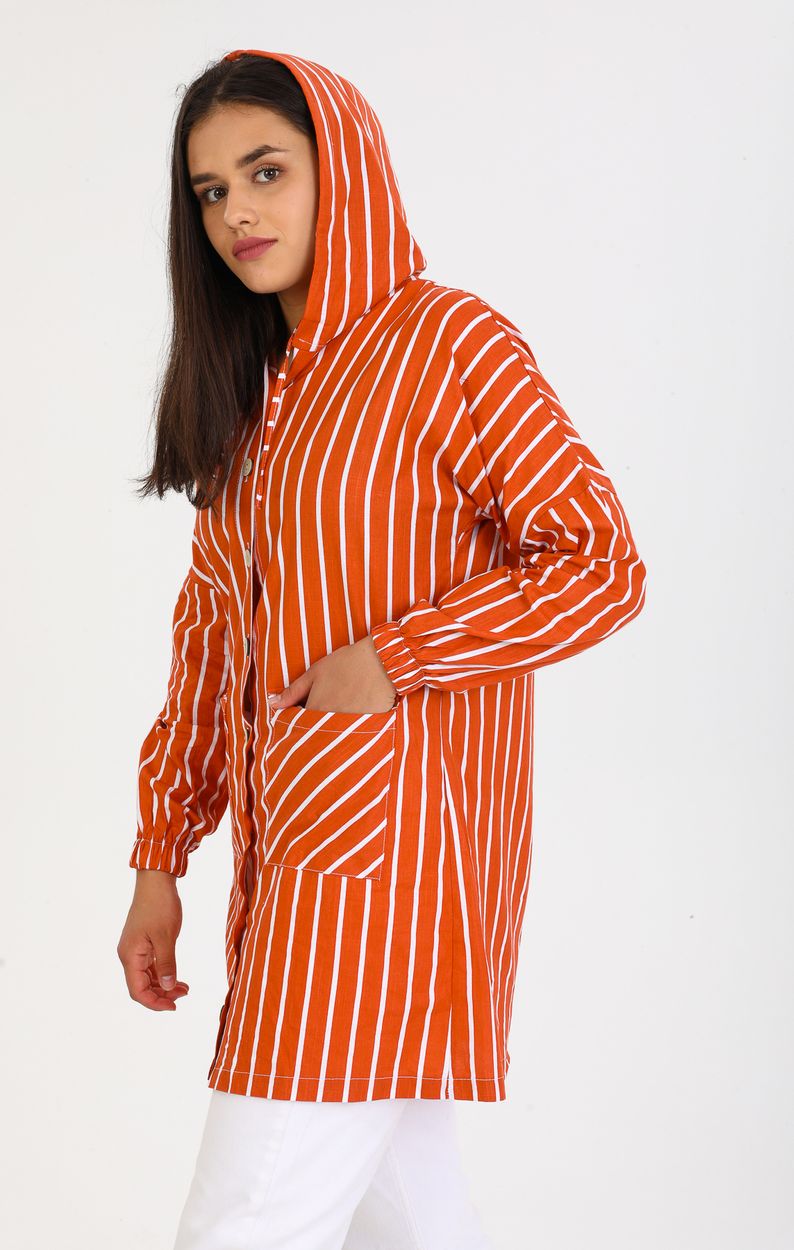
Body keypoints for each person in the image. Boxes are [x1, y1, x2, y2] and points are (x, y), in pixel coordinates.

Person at [116, 46, 647, 1250]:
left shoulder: (449, 342)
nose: (237, 213)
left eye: (266, 171)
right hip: (288, 866)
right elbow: (209, 650)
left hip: (396, 872)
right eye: (210, 191)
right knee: (410, 1218)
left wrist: (395, 656)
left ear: (341, 169)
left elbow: (598, 563)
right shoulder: (254, 407)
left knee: (244, 1218)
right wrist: (160, 856)